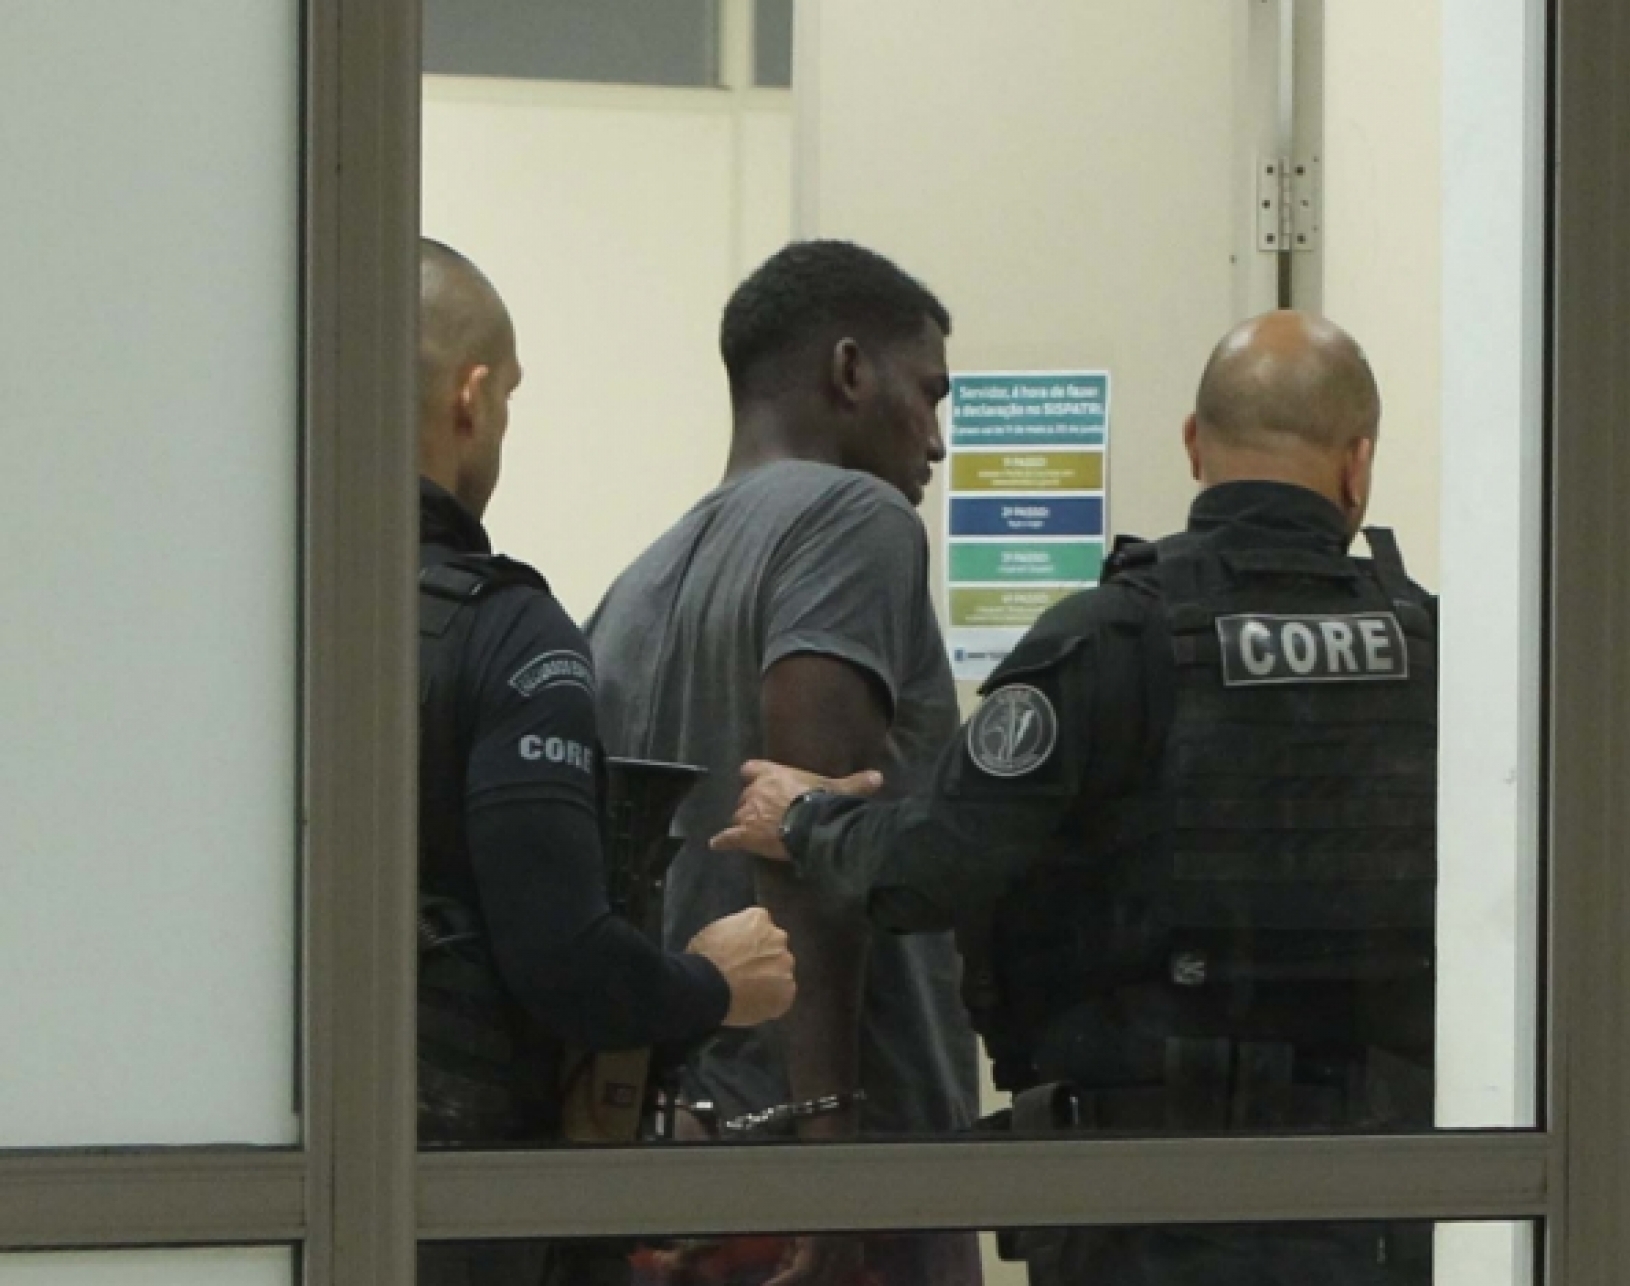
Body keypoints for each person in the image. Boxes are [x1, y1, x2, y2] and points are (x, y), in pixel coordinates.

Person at [713, 311, 1439, 1286]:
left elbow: (935, 864)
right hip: (1382, 1204)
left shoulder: (1107, 643)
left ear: (1194, 445)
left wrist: (806, 819)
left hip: (1147, 1208)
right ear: (1359, 464)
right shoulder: (1438, 653)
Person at [586, 240, 982, 1286]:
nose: (937, 440)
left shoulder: (632, 591)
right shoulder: (855, 520)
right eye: (928, 393)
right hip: (838, 1172)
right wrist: (827, 1159)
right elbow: (803, 835)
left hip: (685, 1157)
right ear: (850, 370)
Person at [414, 240, 797, 1286]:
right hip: (462, 1208)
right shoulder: (503, 631)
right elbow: (564, 960)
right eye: (508, 401)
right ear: (471, 398)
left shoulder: (241, 612)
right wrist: (714, 984)